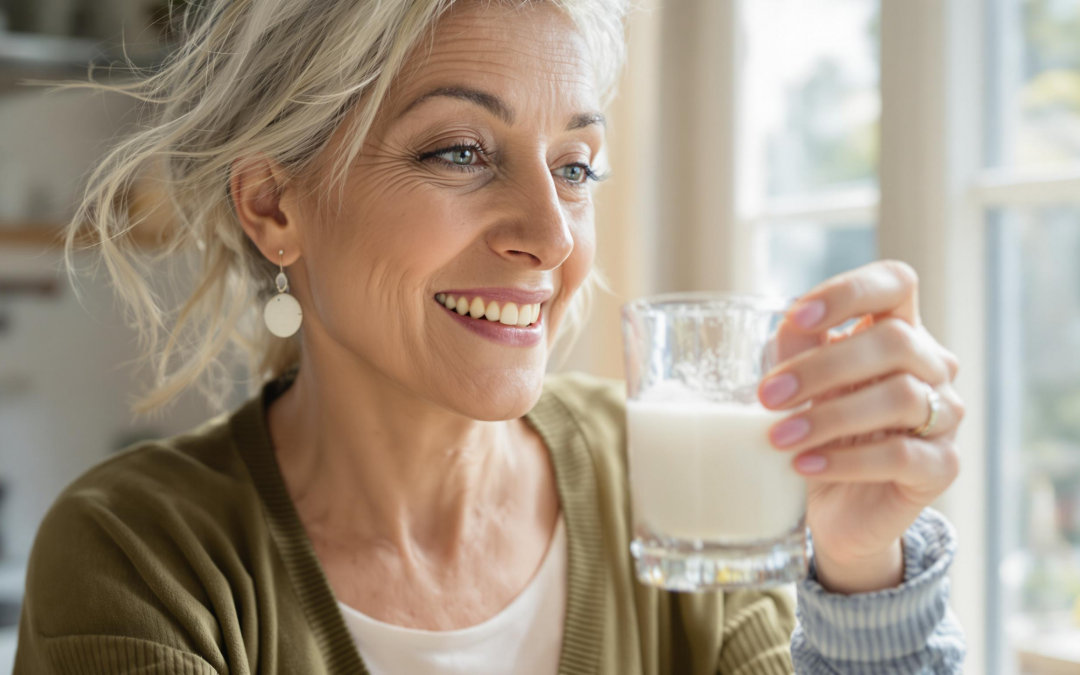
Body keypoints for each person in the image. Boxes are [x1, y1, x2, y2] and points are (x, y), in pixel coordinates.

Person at [14, 0, 967, 673]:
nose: (551, 235)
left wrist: (858, 573)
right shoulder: (141, 556)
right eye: (460, 151)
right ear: (273, 204)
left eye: (575, 167)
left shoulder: (670, 489)